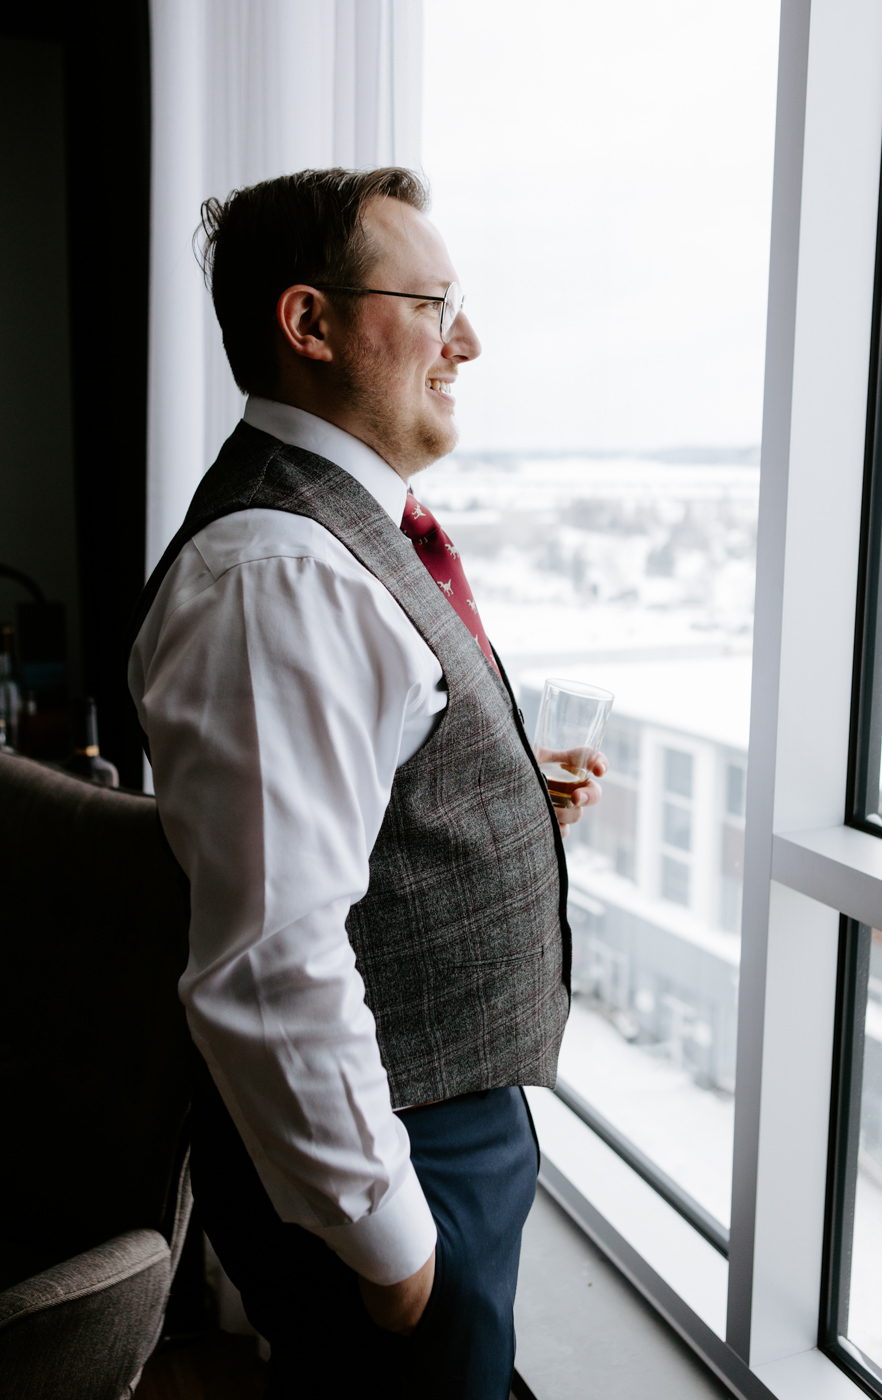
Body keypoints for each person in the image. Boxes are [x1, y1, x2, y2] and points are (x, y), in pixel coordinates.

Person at [129, 167, 606, 1399]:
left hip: (430, 1123)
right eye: (434, 301)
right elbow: (269, 955)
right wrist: (397, 1255)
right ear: (312, 323)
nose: (471, 340)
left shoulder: (340, 532)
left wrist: (496, 789)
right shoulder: (278, 575)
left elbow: (340, 802)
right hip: (399, 1155)